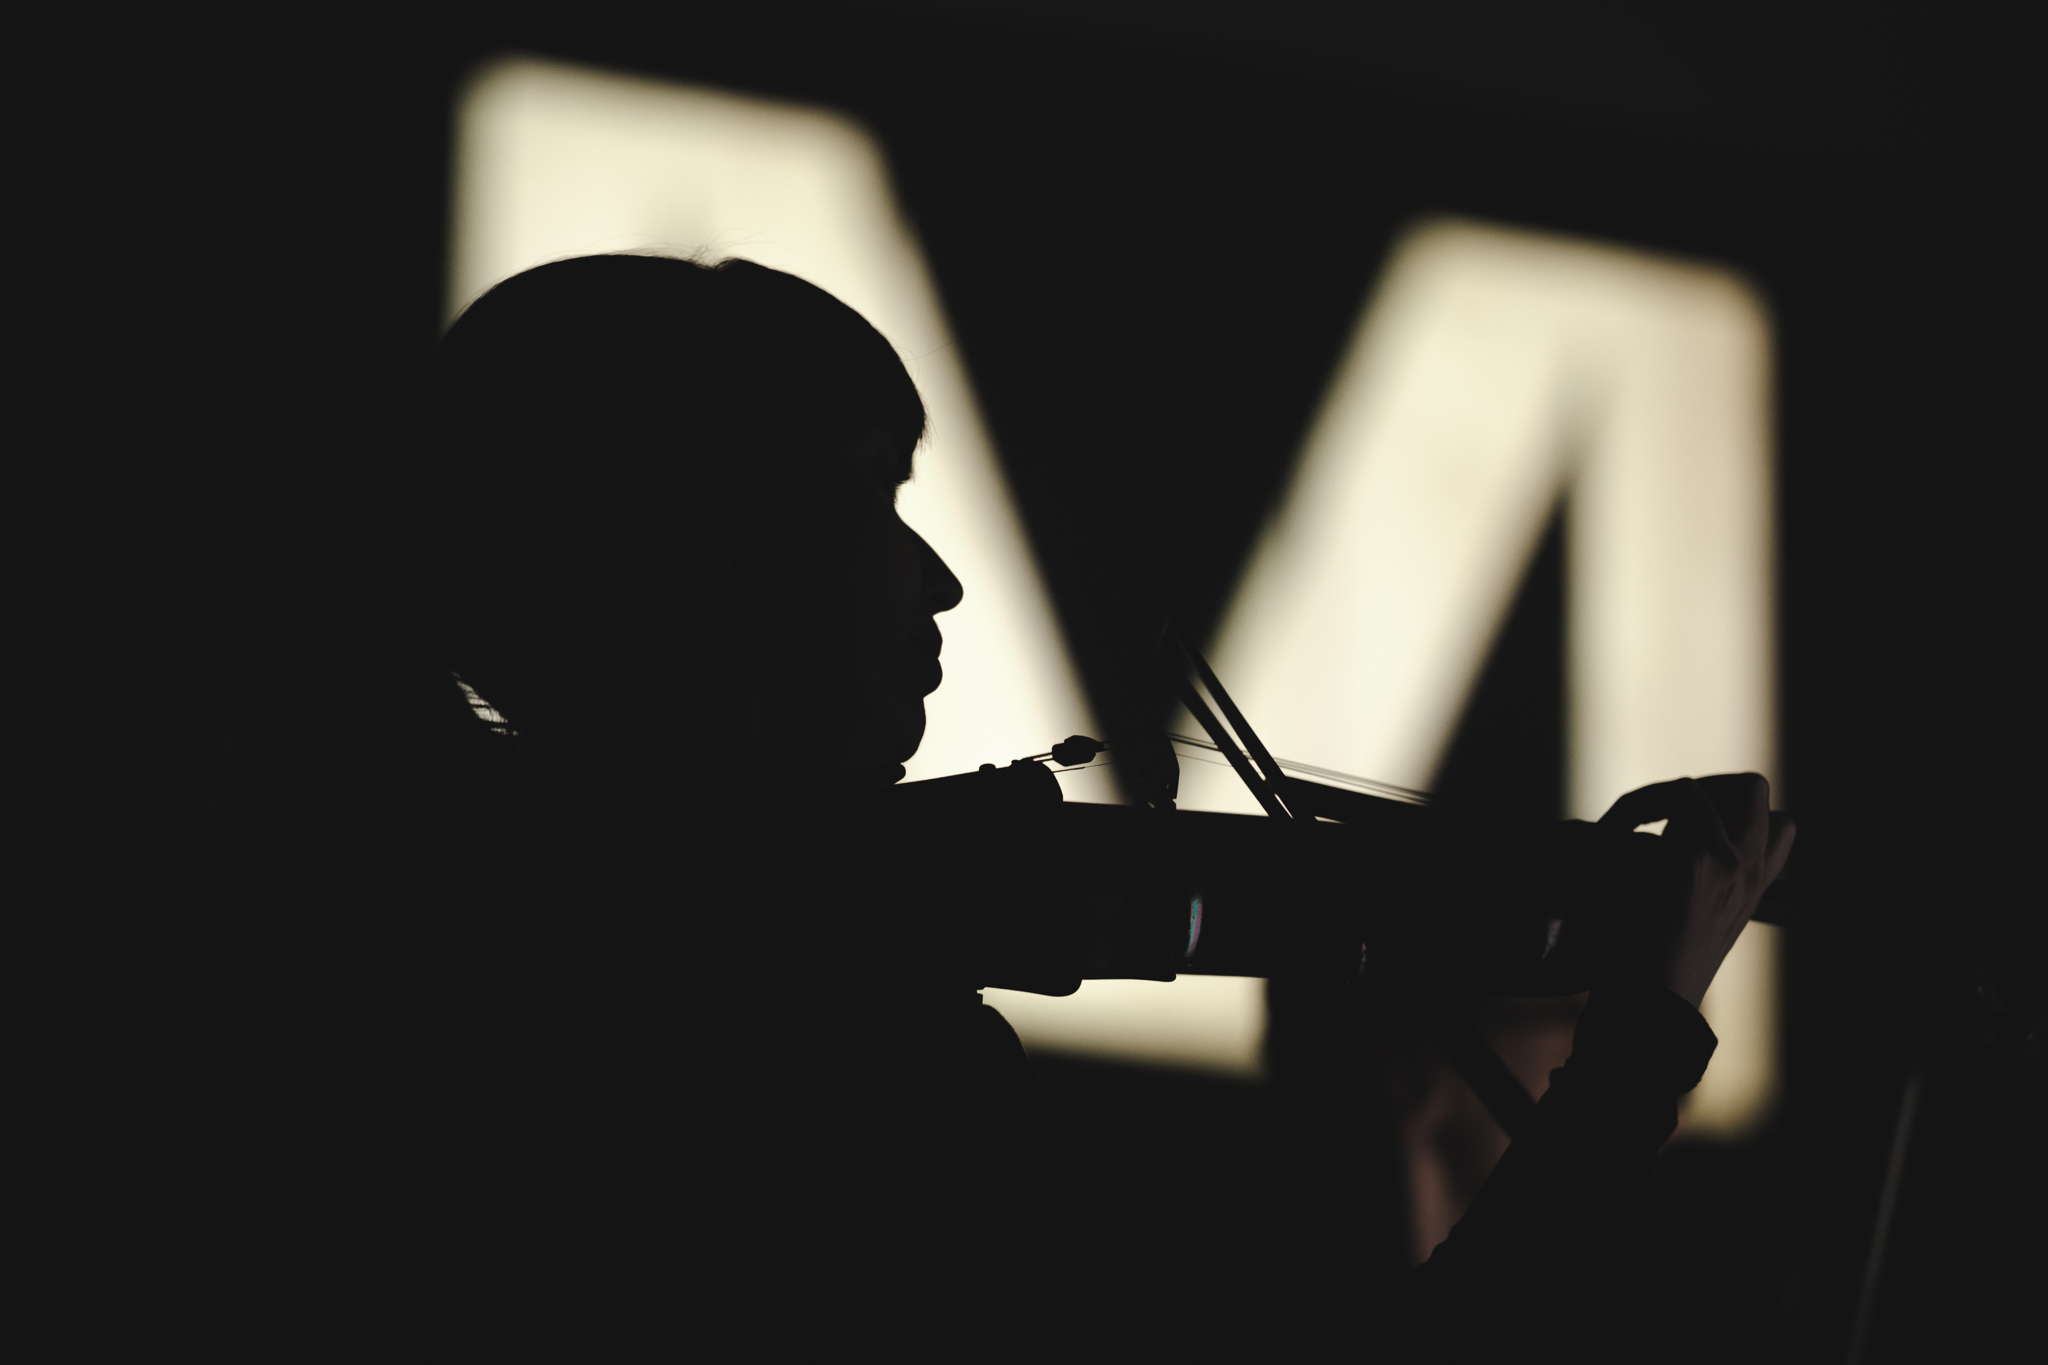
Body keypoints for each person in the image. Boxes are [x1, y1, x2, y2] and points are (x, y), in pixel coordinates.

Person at [177, 253, 1794, 1355]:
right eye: (874, 499)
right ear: (712, 544)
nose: (941, 578)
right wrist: (1635, 1049)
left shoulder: (408, 956)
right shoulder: (840, 1050)